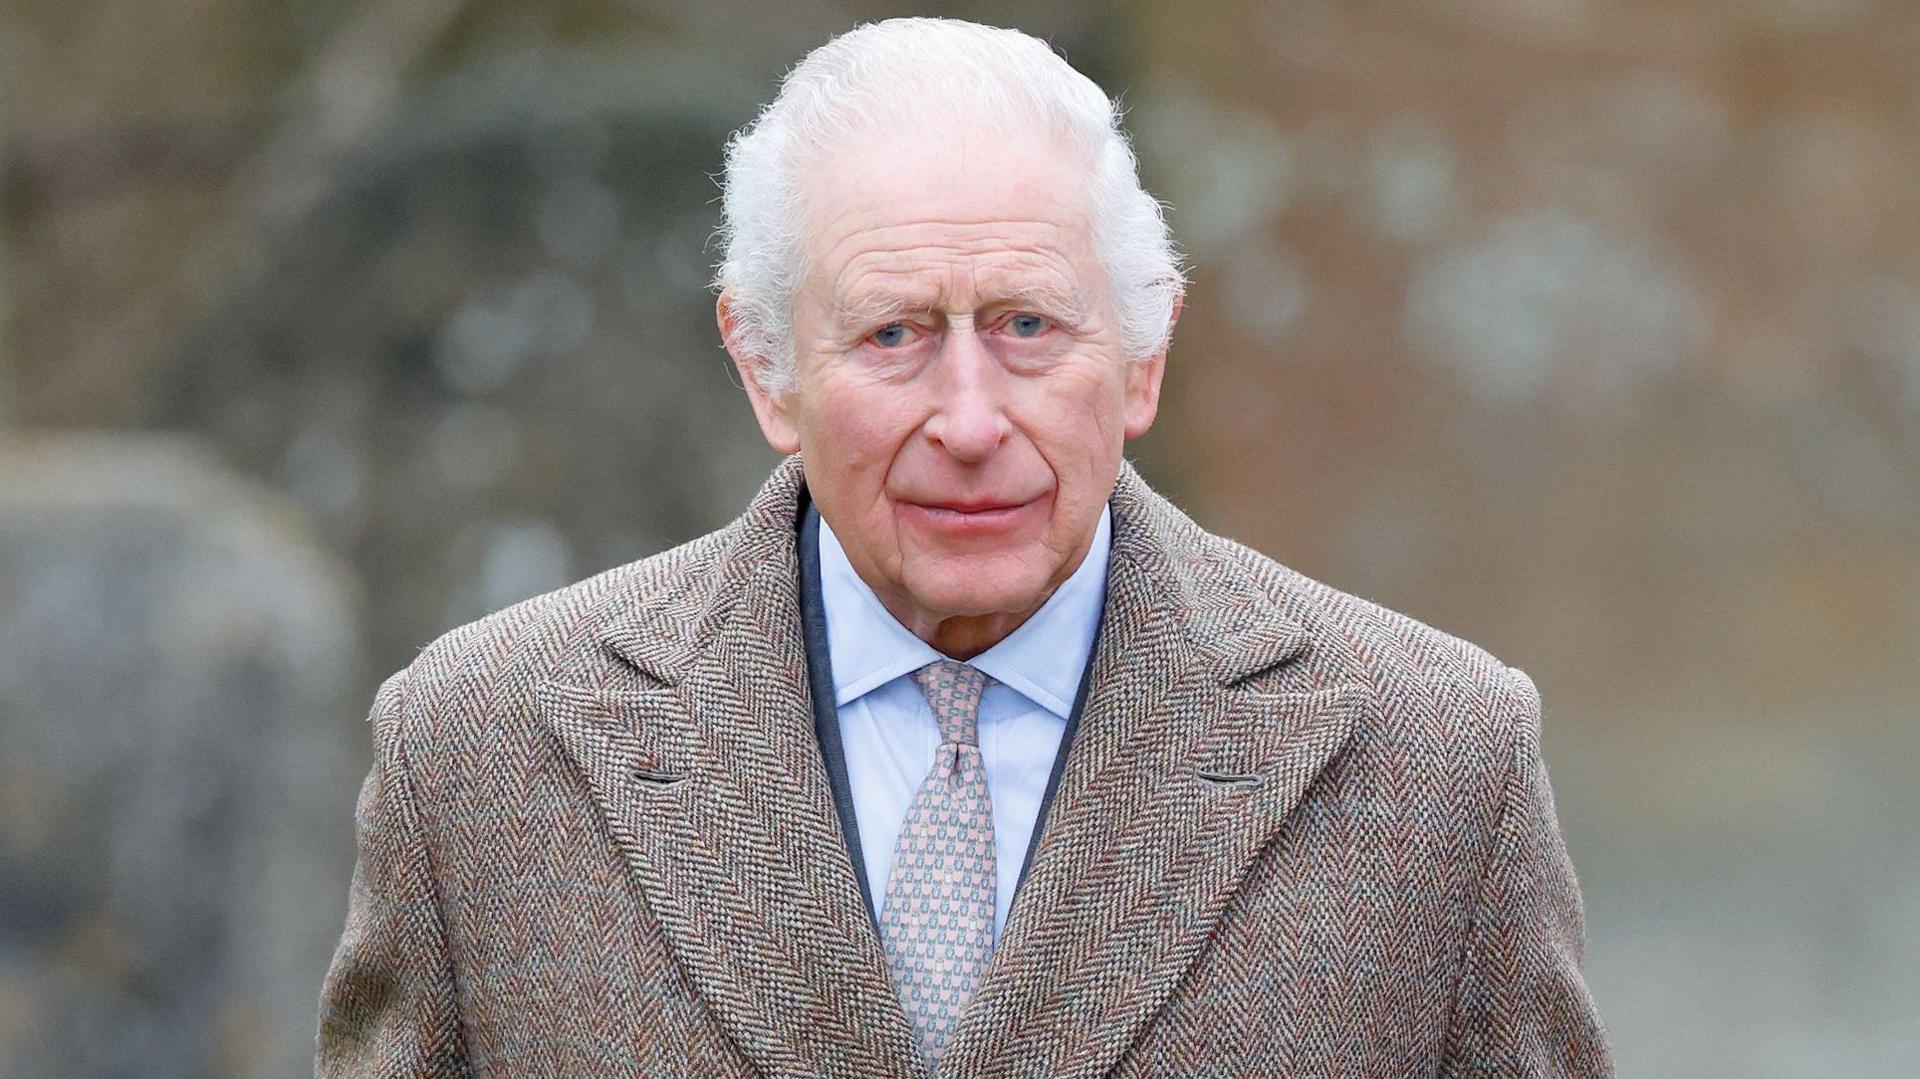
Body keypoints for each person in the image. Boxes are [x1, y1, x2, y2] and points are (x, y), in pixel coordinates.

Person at [317, 17, 1612, 1077]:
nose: (972, 419)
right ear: (767, 370)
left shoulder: (1437, 764)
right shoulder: (481, 755)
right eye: (893, 335)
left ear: (1145, 353)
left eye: (1030, 325)